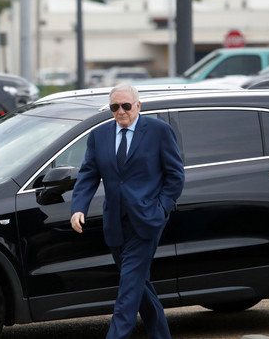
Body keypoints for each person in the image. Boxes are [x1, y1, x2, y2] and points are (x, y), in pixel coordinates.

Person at [70, 83, 185, 339]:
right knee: (138, 284)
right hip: (114, 222)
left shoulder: (159, 132)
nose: (120, 111)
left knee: (128, 288)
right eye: (114, 107)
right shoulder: (99, 135)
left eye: (125, 106)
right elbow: (88, 174)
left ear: (138, 106)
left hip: (147, 220)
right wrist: (79, 208)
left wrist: (162, 207)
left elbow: (175, 175)